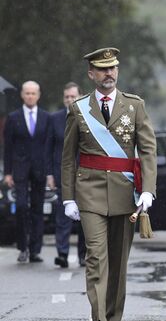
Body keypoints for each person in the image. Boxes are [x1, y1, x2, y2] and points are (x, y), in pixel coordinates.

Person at [61, 47, 157, 321]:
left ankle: (114, 316)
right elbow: (68, 158)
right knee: (95, 259)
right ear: (92, 74)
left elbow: (148, 150)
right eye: (102, 69)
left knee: (118, 264)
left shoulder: (135, 105)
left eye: (112, 68)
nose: (109, 73)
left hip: (126, 194)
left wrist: (148, 189)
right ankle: (99, 317)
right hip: (89, 193)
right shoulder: (78, 108)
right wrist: (68, 197)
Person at [3, 80, 52, 263]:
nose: (30, 96)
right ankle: (22, 247)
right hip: (20, 169)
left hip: (40, 169)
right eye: (27, 93)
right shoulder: (13, 117)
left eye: (33, 93)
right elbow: (7, 148)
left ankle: (35, 250)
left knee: (38, 209)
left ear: (38, 95)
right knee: (22, 207)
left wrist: (50, 172)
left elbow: (48, 146)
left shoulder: (46, 118)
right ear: (22, 95)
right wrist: (7, 173)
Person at [50, 82, 86, 268]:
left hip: (85, 174)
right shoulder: (55, 119)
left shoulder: (89, 117)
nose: (70, 100)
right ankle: (62, 254)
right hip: (61, 173)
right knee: (62, 217)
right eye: (67, 97)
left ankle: (83, 255)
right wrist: (49, 174)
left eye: (73, 97)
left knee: (84, 218)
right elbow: (48, 148)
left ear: (81, 97)